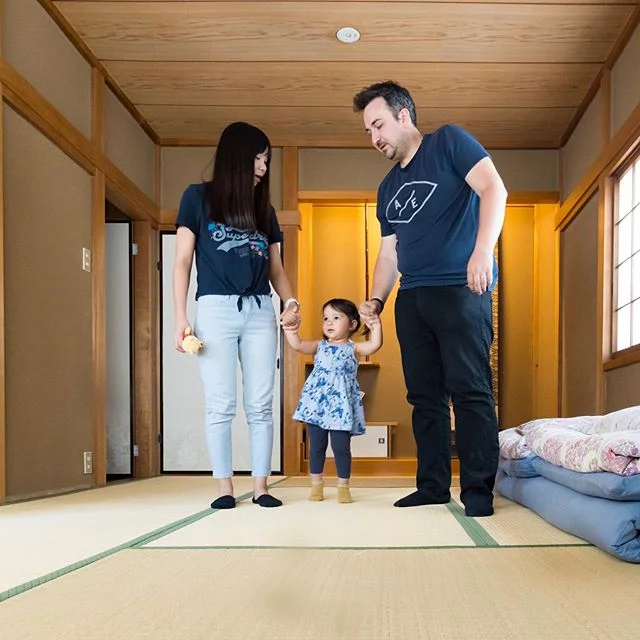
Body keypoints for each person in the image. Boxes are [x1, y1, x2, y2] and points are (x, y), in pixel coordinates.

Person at [353, 81, 507, 517]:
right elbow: (389, 253)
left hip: (461, 289)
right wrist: (376, 300)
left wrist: (482, 251)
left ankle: (477, 491)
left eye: (378, 125)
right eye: (368, 131)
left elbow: (494, 189)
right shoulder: (387, 188)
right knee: (424, 396)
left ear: (403, 115)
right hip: (412, 298)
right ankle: (433, 486)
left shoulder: (448, 143)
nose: (374, 137)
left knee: (470, 390)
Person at [173, 121, 299, 510]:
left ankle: (261, 487)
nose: (263, 167)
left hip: (260, 310)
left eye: (267, 160)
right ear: (236, 157)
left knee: (261, 403)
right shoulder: (197, 198)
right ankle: (224, 488)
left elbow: (276, 268)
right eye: (257, 158)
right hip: (215, 310)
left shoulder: (264, 209)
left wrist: (291, 304)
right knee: (221, 402)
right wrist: (180, 319)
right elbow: (182, 262)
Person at [284, 299, 382, 503]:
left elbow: (374, 345)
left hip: (340, 408)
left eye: (336, 318)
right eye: (326, 318)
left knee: (341, 448)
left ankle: (343, 486)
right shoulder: (319, 346)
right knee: (316, 447)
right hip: (317, 404)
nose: (329, 322)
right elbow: (298, 345)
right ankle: (316, 485)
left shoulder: (353, 348)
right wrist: (291, 330)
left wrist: (375, 326)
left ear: (352, 324)